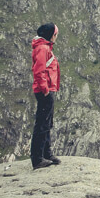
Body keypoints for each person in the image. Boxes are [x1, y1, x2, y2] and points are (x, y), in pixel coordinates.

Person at [30, 23, 61, 169]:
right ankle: (37, 158)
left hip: (48, 89)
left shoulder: (45, 47)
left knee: (47, 122)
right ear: (50, 34)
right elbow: (39, 71)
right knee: (42, 124)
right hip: (45, 91)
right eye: (55, 34)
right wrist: (46, 90)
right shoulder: (43, 48)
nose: (56, 37)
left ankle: (46, 154)